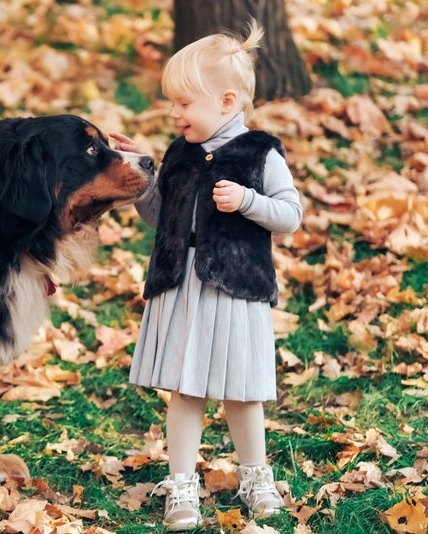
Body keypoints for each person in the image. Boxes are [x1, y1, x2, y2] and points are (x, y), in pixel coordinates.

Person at [109, 19, 302, 531]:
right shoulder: (179, 152)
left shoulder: (260, 153)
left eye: (184, 104)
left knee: (241, 391)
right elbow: (160, 217)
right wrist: (140, 182)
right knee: (185, 389)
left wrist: (248, 202)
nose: (174, 114)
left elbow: (290, 215)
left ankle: (255, 474)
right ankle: (181, 484)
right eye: (172, 103)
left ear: (228, 101)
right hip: (182, 284)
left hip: (235, 290)